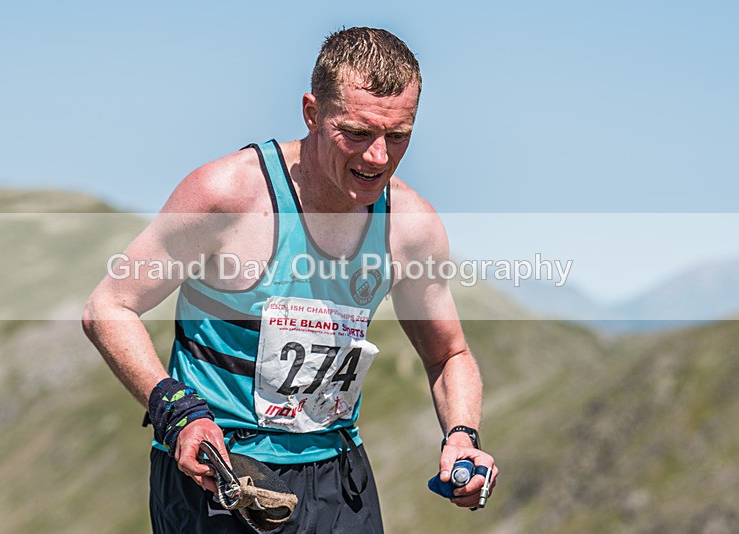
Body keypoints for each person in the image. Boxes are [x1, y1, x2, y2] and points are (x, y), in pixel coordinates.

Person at [82, 26, 498, 533]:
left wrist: (461, 437)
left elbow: (448, 354)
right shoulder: (226, 196)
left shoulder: (410, 226)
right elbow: (110, 306)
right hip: (220, 475)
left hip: (337, 478)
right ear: (312, 114)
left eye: (398, 136)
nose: (378, 157)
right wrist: (177, 412)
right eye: (358, 132)